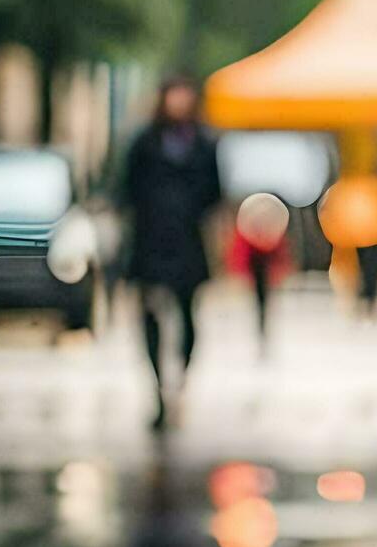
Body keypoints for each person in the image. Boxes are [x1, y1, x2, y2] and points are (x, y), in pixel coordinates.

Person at [121, 75, 221, 430]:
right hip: (150, 242)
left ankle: (179, 375)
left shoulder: (204, 144)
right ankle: (159, 388)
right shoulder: (145, 144)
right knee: (149, 314)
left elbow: (214, 192)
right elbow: (127, 189)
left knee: (187, 314)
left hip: (187, 243)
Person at [226, 192, 292, 351]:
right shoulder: (252, 226)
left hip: (264, 265)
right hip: (257, 265)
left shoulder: (262, 225)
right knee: (261, 300)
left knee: (263, 300)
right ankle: (262, 331)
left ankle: (263, 331)